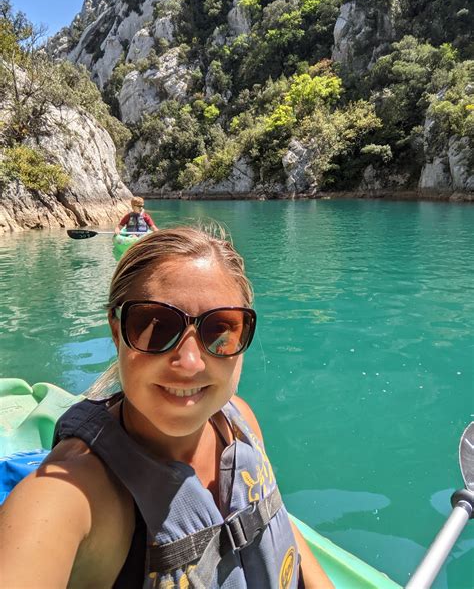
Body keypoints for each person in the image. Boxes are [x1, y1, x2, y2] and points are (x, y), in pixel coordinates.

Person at [0, 225, 333, 589]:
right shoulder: (66, 499)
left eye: (221, 330)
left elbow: (274, 518)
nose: (190, 362)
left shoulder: (240, 422)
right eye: (156, 326)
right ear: (117, 329)